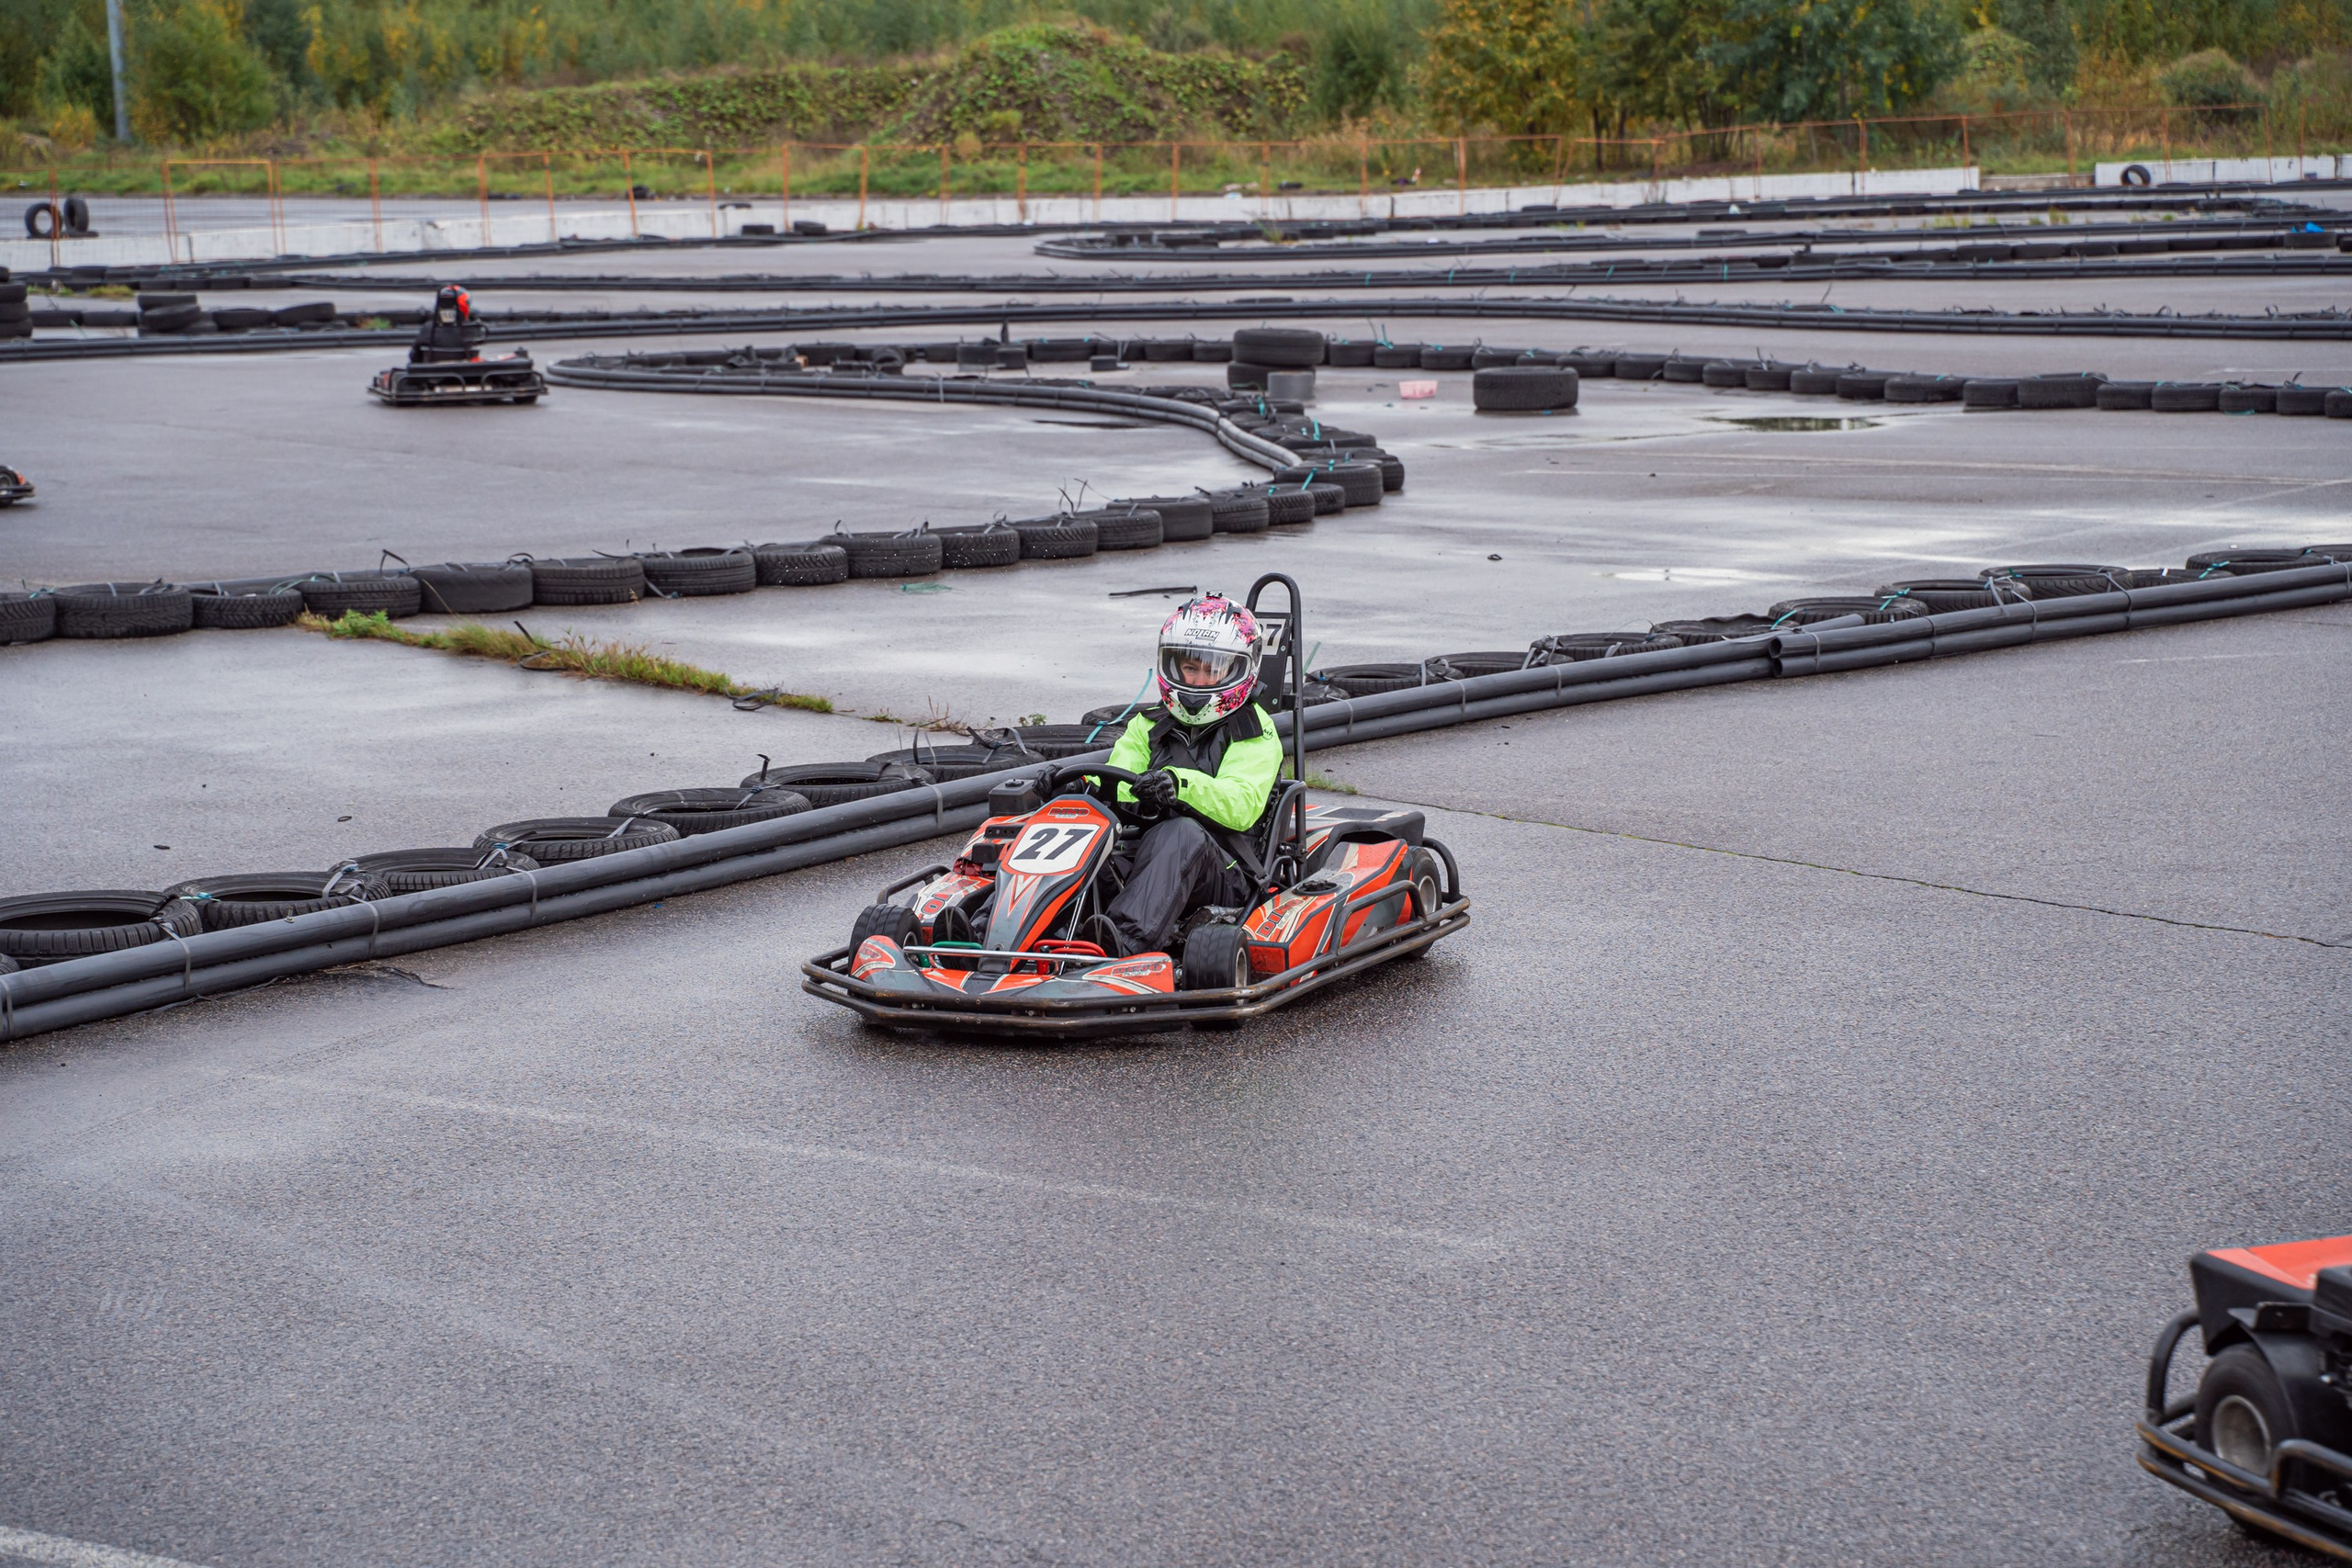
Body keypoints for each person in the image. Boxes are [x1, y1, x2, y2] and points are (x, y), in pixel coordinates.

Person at [1093, 593, 1283, 956]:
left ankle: (1123, 945)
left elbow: (1239, 805)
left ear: (1240, 670)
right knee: (1078, 825)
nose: (1198, 682)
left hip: (1225, 872)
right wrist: (1082, 789)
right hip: (1145, 861)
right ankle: (987, 926)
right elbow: (1118, 781)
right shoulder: (1148, 723)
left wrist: (1176, 785)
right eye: (1190, 669)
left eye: (1212, 670)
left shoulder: (1255, 732)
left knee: (1181, 832)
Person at [410, 286, 486, 364]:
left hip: (432, 373)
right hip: (464, 373)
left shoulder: (428, 329)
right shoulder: (474, 328)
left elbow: (414, 357)